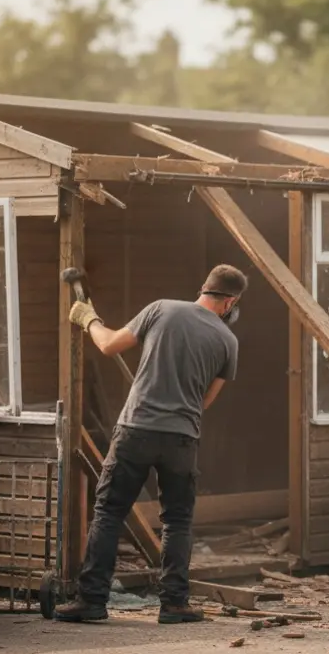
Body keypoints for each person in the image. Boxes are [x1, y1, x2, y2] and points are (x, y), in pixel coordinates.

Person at [54, 264, 246, 624]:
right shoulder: (228, 341)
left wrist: (88, 319)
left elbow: (109, 345)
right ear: (229, 302)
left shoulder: (162, 309)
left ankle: (92, 600)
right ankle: (174, 604)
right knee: (177, 520)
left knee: (109, 513)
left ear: (204, 289)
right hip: (182, 438)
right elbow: (205, 401)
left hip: (136, 428)